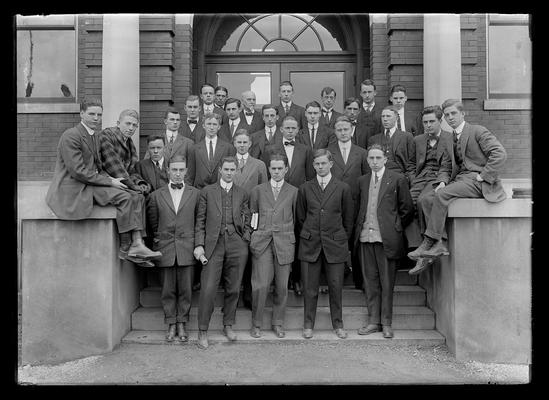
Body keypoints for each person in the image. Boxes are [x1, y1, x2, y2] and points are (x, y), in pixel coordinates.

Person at [46, 99, 161, 267]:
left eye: (99, 115)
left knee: (133, 196)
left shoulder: (94, 136)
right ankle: (127, 247)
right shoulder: (71, 135)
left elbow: (100, 167)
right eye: (91, 114)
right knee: (125, 197)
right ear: (81, 114)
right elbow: (78, 171)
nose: (96, 118)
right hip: (73, 188)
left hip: (90, 184)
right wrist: (110, 181)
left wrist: (120, 182)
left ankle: (137, 245)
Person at [408, 99, 507, 267]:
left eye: (454, 113)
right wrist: (442, 181)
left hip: (479, 181)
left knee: (442, 195)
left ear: (463, 114)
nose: (450, 117)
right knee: (426, 199)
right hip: (460, 179)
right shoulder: (451, 138)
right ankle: (439, 243)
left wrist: (483, 175)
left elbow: (500, 153)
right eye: (447, 115)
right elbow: (446, 165)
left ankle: (430, 241)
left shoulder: (477, 131)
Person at [354, 144, 414, 339]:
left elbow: (407, 209)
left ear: (385, 159)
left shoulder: (397, 179)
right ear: (367, 160)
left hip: (386, 239)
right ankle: (373, 321)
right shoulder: (362, 181)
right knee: (370, 282)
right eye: (371, 158)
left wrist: (394, 226)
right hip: (365, 237)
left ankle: (386, 323)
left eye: (378, 158)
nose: (374, 162)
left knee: (387, 283)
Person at [194, 156, 252, 349]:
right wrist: (199, 244)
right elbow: (200, 221)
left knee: (234, 287)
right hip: (213, 244)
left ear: (236, 171)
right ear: (220, 170)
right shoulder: (207, 192)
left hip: (236, 243)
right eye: (226, 169)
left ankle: (228, 324)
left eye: (232, 170)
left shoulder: (242, 193)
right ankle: (203, 330)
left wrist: (246, 236)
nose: (229, 173)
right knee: (209, 288)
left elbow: (249, 217)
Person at [296, 148, 354, 339]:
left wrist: (340, 237)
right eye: (317, 164)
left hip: (335, 244)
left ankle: (338, 324)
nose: (320, 167)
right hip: (310, 244)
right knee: (309, 287)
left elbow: (348, 219)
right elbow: (301, 217)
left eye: (323, 163)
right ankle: (308, 324)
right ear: (313, 165)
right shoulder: (305, 188)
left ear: (331, 164)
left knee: (336, 287)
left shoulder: (343, 187)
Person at [146, 155, 200, 342]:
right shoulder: (156, 195)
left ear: (186, 171)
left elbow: (199, 221)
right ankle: (170, 322)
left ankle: (182, 323)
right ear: (168, 171)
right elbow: (153, 224)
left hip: (187, 247)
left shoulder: (195, 194)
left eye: (181, 170)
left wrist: (197, 245)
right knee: (167, 289)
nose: (178, 174)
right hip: (166, 247)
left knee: (186, 289)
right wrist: (161, 241)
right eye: (174, 170)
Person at [249, 153, 298, 339]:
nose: (276, 172)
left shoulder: (294, 192)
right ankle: (257, 323)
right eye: (273, 168)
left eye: (280, 168)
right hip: (262, 243)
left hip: (284, 244)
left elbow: (297, 218)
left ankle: (278, 323)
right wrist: (254, 236)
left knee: (282, 286)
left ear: (286, 169)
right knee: (260, 285)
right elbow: (252, 217)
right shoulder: (258, 191)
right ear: (268, 169)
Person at [270, 116, 315, 296]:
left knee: (296, 236)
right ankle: (278, 280)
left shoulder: (305, 150)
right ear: (281, 129)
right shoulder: (271, 149)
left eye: (293, 128)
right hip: (276, 198)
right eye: (287, 128)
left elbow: (310, 176)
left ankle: (295, 278)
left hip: (297, 197)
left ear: (298, 130)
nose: (290, 131)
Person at [405, 106, 453, 274]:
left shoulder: (450, 138)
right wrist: (412, 179)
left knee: (424, 201)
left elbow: (452, 165)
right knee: (406, 206)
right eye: (425, 122)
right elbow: (411, 164)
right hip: (419, 179)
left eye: (432, 121)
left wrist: (443, 181)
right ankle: (419, 250)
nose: (428, 125)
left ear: (440, 121)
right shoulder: (417, 139)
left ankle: (431, 247)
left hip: (437, 178)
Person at [327, 115, 369, 290]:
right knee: (336, 237)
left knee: (355, 239)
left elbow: (367, 178)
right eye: (339, 130)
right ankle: (337, 275)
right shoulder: (328, 151)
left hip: (356, 202)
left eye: (346, 129)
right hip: (334, 203)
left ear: (351, 130)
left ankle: (359, 280)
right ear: (335, 132)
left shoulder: (362, 152)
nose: (343, 133)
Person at [232, 129, 268, 309]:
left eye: (245, 142)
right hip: (232, 215)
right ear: (234, 143)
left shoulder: (259, 164)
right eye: (239, 142)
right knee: (234, 255)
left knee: (250, 254)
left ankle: (248, 295)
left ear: (250, 144)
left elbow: (264, 192)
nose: (242, 145)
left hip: (252, 214)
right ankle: (232, 295)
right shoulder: (228, 163)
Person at [187, 112, 236, 190]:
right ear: (203, 125)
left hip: (221, 191)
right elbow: (190, 176)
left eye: (214, 124)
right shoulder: (194, 149)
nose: (211, 127)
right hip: (200, 191)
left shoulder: (228, 148)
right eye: (209, 124)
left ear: (219, 126)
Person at [368, 105, 415, 183]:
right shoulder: (373, 139)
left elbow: (412, 161)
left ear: (396, 118)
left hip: (401, 176)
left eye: (388, 116)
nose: (385, 119)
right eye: (383, 116)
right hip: (379, 177)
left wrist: (407, 177)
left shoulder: (406, 137)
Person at [250, 104, 283, 169]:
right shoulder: (254, 137)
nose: (269, 119)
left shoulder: (284, 135)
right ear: (263, 117)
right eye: (267, 116)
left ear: (277, 117)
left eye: (272, 115)